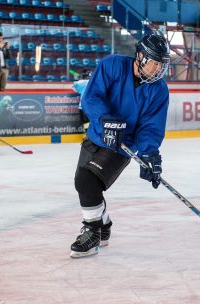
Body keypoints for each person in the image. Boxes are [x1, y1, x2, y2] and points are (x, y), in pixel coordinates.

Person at [69, 32, 170, 258]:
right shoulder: (112, 65)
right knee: (86, 186)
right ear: (141, 57)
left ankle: (92, 232)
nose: (158, 70)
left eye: (161, 65)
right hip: (96, 136)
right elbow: (91, 98)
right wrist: (105, 120)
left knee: (86, 182)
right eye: (154, 63)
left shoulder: (159, 90)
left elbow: (151, 127)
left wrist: (149, 154)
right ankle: (103, 225)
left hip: (123, 144)